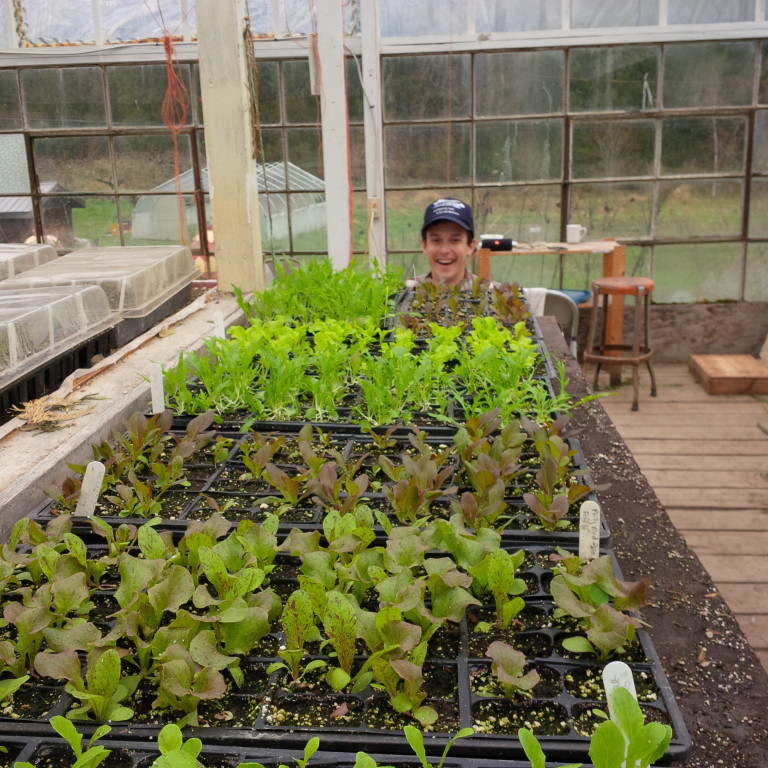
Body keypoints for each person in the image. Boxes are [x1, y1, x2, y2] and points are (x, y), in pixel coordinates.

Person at [406, 197, 482, 290]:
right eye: (436, 240)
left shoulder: (497, 297)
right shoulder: (403, 294)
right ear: (424, 245)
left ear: (470, 246)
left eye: (455, 240)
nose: (444, 250)